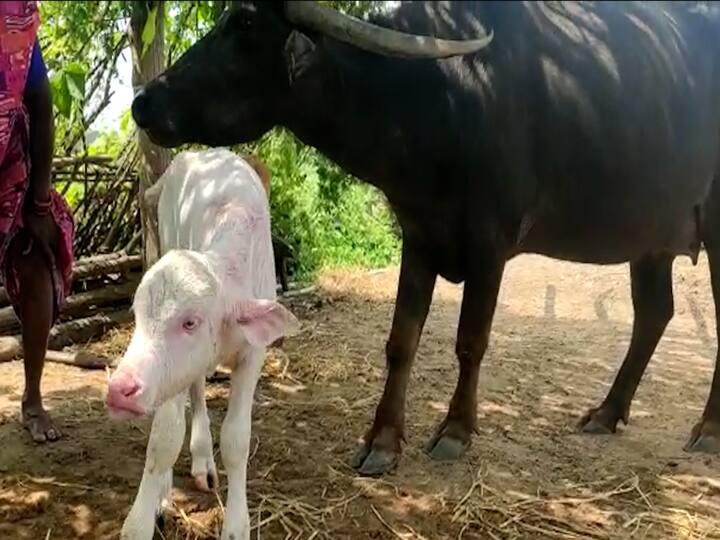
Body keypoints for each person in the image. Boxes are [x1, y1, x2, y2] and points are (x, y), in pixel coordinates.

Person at [0, 1, 74, 443]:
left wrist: (40, 203)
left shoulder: (11, 21)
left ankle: (32, 398)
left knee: (36, 255)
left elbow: (42, 103)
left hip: (9, 160)